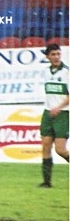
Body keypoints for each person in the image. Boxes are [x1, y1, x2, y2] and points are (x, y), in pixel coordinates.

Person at [39, 43, 69, 187]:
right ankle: (46, 182)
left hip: (63, 114)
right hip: (48, 113)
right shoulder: (46, 72)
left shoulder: (67, 72)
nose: (56, 57)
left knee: (60, 150)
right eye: (53, 54)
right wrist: (51, 108)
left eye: (58, 54)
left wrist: (59, 107)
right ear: (48, 57)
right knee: (45, 146)